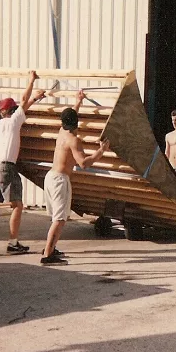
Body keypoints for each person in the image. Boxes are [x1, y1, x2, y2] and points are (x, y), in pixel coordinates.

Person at [0, 70, 46, 257]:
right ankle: (13, 243)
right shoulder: (14, 122)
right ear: (13, 110)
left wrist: (35, 99)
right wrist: (31, 81)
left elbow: (23, 106)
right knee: (17, 205)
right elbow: (24, 100)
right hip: (6, 167)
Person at [41, 90, 109, 265]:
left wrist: (77, 101)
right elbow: (84, 163)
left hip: (51, 177)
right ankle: (47, 254)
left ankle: (51, 247)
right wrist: (101, 151)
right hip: (59, 180)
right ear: (76, 123)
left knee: (58, 217)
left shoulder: (61, 132)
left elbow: (71, 116)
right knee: (60, 219)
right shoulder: (74, 140)